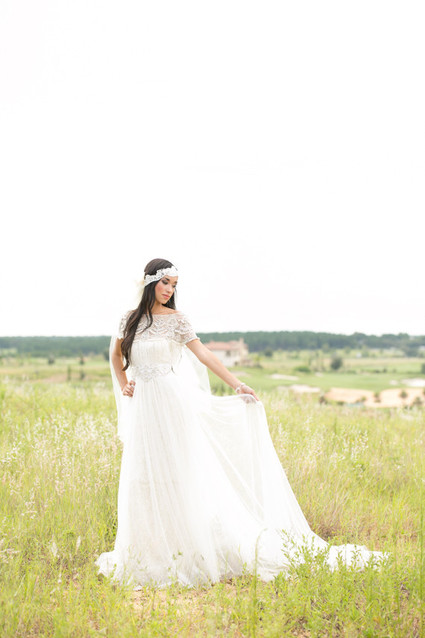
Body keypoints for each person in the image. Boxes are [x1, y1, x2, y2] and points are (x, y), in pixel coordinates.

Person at [95, 258, 389, 589]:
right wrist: (125, 385)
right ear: (151, 281)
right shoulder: (129, 319)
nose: (170, 290)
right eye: (166, 283)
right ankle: (147, 551)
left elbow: (205, 355)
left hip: (173, 405)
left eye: (175, 285)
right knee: (142, 477)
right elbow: (116, 356)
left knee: (177, 474)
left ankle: (184, 550)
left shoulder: (177, 320)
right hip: (144, 408)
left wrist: (237, 384)